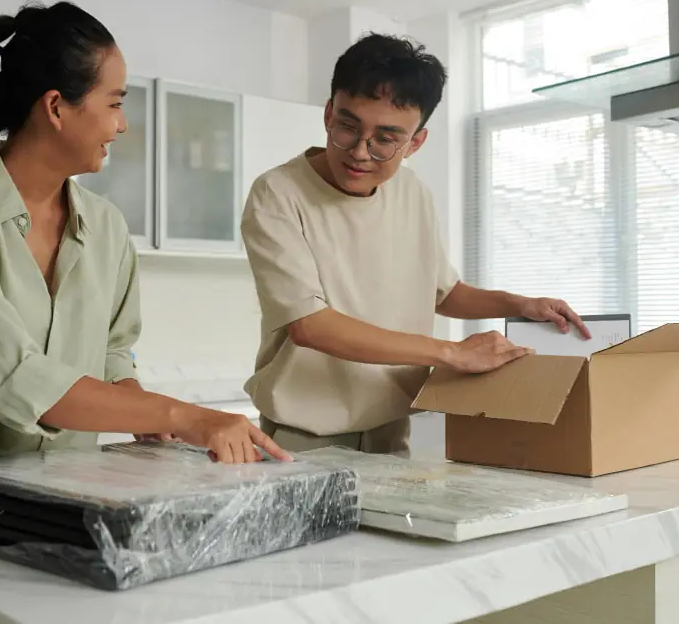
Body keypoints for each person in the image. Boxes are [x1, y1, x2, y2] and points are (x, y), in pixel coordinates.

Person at [0, 0, 290, 505]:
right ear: (56, 107)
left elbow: (114, 351)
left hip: (60, 496)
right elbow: (19, 378)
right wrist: (184, 416)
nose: (122, 126)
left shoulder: (107, 227)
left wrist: (135, 404)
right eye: (115, 103)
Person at [240, 33, 590, 455]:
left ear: (415, 143)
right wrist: (452, 354)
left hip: (392, 428)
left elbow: (443, 293)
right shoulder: (278, 193)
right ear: (329, 114)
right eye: (348, 126)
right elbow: (309, 325)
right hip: (304, 436)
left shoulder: (412, 192)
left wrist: (520, 305)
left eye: (385, 139)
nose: (360, 153)